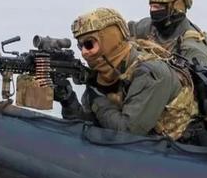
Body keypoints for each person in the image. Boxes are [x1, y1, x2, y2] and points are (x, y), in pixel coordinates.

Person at [54, 7, 198, 141]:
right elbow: (92, 126)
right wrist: (68, 101)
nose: (84, 53)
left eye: (89, 44)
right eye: (81, 46)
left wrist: (97, 99)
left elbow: (127, 134)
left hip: (179, 149)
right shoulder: (104, 74)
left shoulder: (150, 73)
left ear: (110, 40)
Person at [130, 0, 207, 69]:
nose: (152, 11)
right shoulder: (149, 27)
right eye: (151, 6)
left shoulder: (192, 48)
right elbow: (126, 31)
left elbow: (195, 75)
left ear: (177, 7)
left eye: (157, 7)